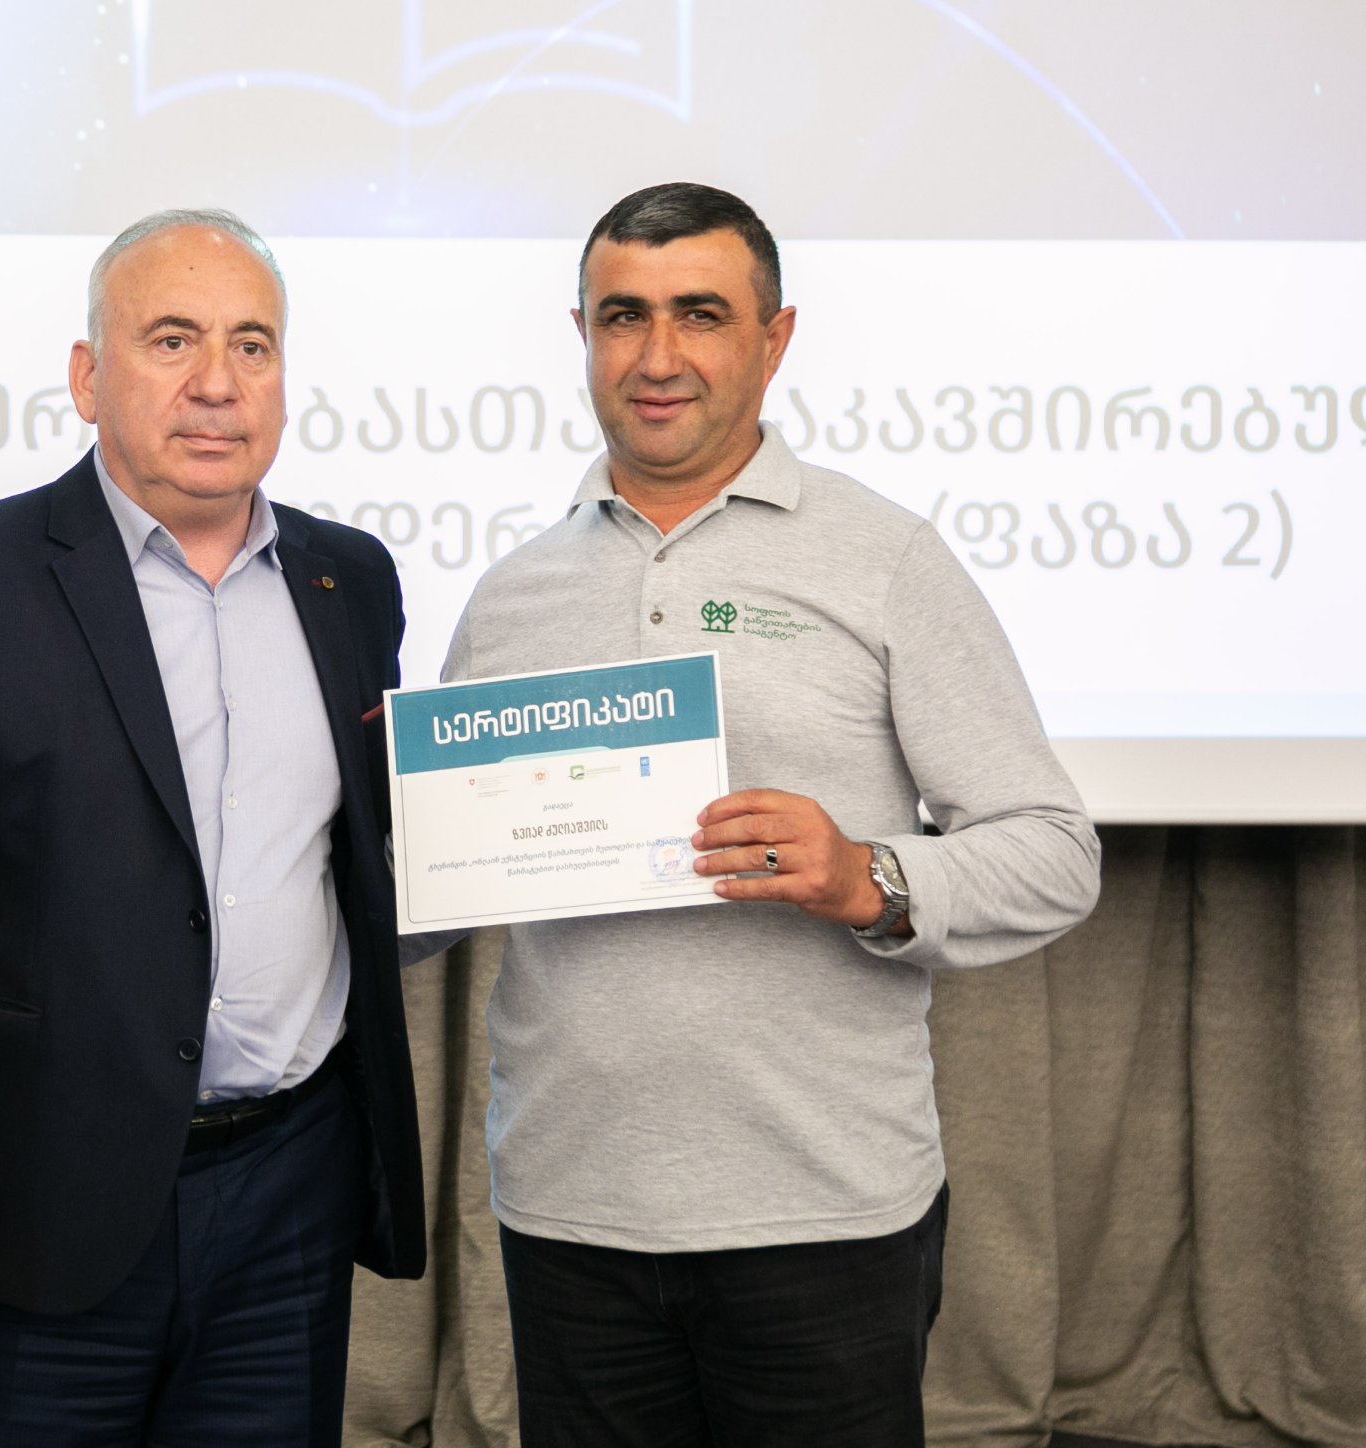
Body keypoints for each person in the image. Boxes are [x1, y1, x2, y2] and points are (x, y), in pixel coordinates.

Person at [431, 182, 1103, 1445]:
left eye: (699, 313)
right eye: (622, 316)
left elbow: (1053, 852)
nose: (657, 356)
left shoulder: (883, 558)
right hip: (570, 1207)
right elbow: (443, 889)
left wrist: (867, 876)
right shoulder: (513, 594)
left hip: (826, 1209)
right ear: (579, 334)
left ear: (773, 337)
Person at [0, 209, 424, 1446]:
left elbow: (361, 868)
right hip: (37, 1211)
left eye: (251, 344)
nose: (217, 383)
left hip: (286, 1201)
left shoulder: (347, 579)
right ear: (88, 376)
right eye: (172, 339)